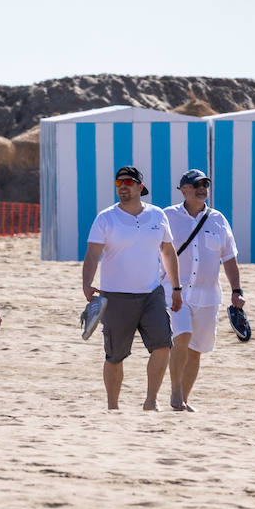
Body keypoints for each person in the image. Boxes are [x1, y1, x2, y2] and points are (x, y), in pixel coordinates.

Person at [81, 166, 182, 410]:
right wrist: (86, 283)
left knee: (163, 345)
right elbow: (93, 255)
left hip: (152, 293)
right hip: (115, 296)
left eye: (128, 182)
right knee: (115, 356)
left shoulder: (157, 215)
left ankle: (151, 401)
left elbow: (168, 251)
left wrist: (176, 288)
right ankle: (113, 406)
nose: (123, 186)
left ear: (140, 187)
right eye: (119, 183)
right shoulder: (106, 218)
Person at [162, 169, 244, 412]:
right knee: (182, 336)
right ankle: (175, 393)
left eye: (205, 184)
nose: (202, 188)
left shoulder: (218, 219)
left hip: (208, 294)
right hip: (175, 290)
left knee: (197, 350)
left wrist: (236, 290)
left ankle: (183, 399)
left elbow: (229, 258)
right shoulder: (167, 216)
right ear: (183, 190)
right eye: (196, 184)